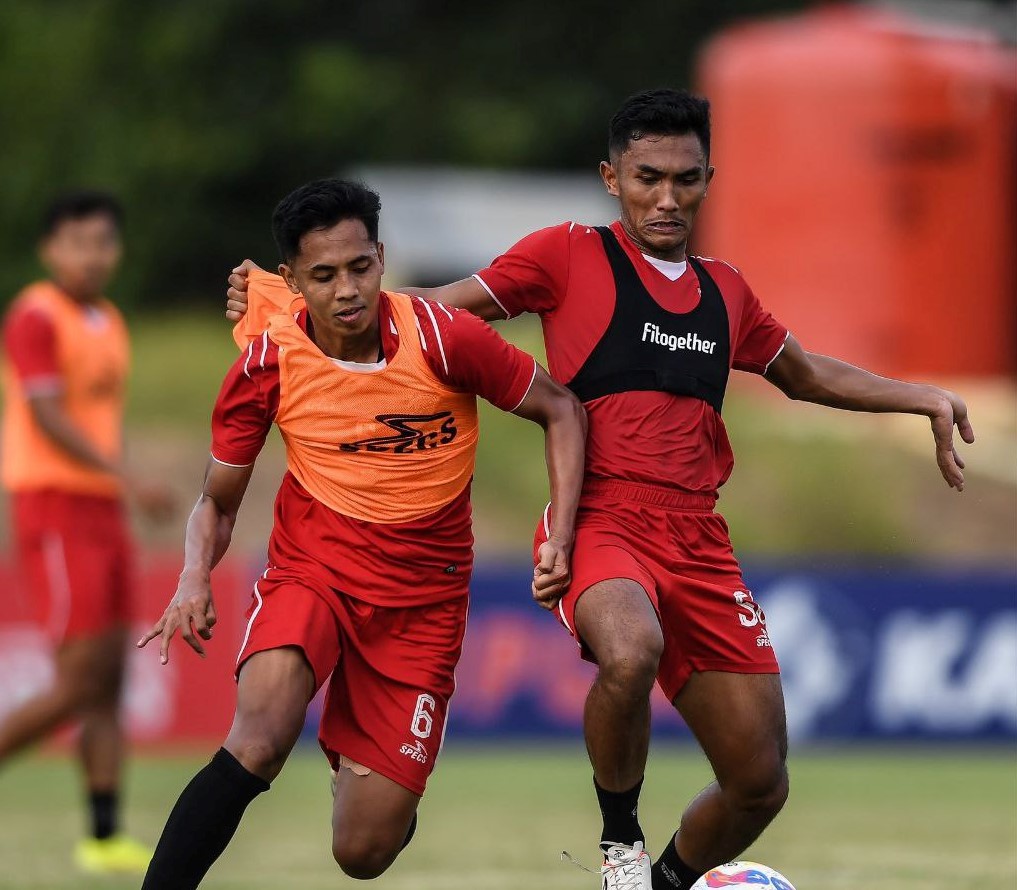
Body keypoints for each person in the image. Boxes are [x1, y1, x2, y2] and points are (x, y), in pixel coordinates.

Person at [226, 90, 974, 890]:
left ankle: (664, 882)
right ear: (610, 178)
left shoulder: (726, 291)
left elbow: (805, 374)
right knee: (630, 648)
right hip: (601, 520)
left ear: (707, 179)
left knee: (760, 782)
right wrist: (289, 305)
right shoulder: (568, 253)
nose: (666, 197)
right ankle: (619, 846)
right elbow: (427, 316)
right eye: (646, 177)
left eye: (685, 179)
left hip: (699, 540)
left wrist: (918, 394)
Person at [138, 178, 586, 889]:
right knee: (257, 739)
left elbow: (560, 408)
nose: (346, 289)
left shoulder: (442, 337)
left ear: (382, 256)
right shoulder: (266, 363)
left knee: (363, 853)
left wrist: (557, 533)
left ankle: (373, 773)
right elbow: (217, 502)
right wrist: (194, 573)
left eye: (359, 268)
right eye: (322, 276)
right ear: (293, 281)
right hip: (312, 573)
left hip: (420, 606)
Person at [0, 190, 174, 875]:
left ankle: (102, 836)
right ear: (50, 250)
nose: (91, 255)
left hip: (99, 507)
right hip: (54, 504)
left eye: (102, 241)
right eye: (76, 242)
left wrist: (120, 485)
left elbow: (101, 416)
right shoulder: (36, 315)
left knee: (108, 679)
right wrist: (129, 476)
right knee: (76, 681)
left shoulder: (110, 321)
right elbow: (45, 415)